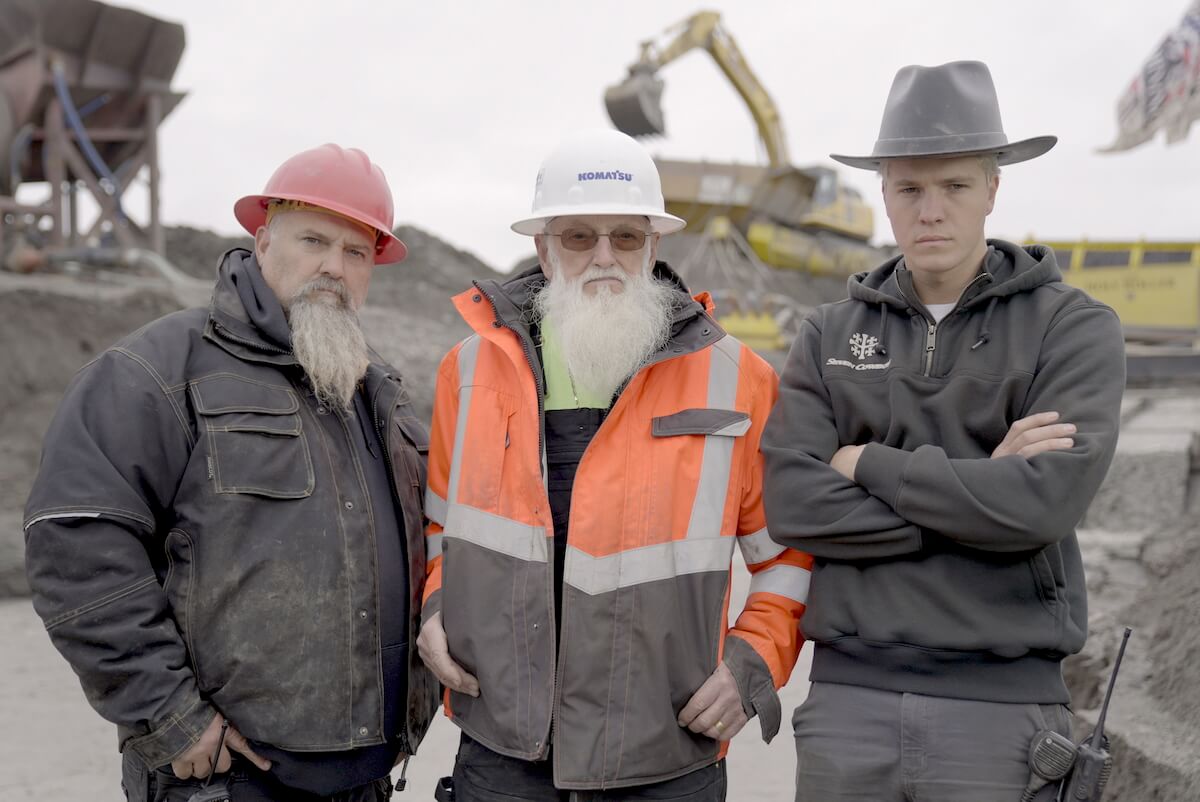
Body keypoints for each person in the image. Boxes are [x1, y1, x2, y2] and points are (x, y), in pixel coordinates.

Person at [23, 144, 438, 802]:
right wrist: (172, 717)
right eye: (313, 239)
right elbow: (75, 539)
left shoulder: (380, 398)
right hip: (224, 781)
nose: (333, 265)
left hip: (365, 780)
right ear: (263, 237)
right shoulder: (160, 369)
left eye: (356, 252)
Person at [761, 61, 1126, 802]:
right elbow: (794, 506)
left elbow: (1040, 507)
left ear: (992, 188)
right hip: (845, 708)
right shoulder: (828, 332)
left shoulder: (1071, 326)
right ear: (885, 196)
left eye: (955, 186)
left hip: (1002, 715)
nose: (931, 210)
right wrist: (982, 488)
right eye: (910, 189)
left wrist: (865, 463)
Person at [415, 129, 813, 801]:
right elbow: (443, 527)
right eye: (578, 237)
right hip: (504, 744)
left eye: (626, 237)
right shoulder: (469, 372)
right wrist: (436, 608)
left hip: (665, 751)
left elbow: (790, 556)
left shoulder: (738, 380)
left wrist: (752, 666)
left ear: (655, 245)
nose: (605, 256)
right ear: (543, 246)